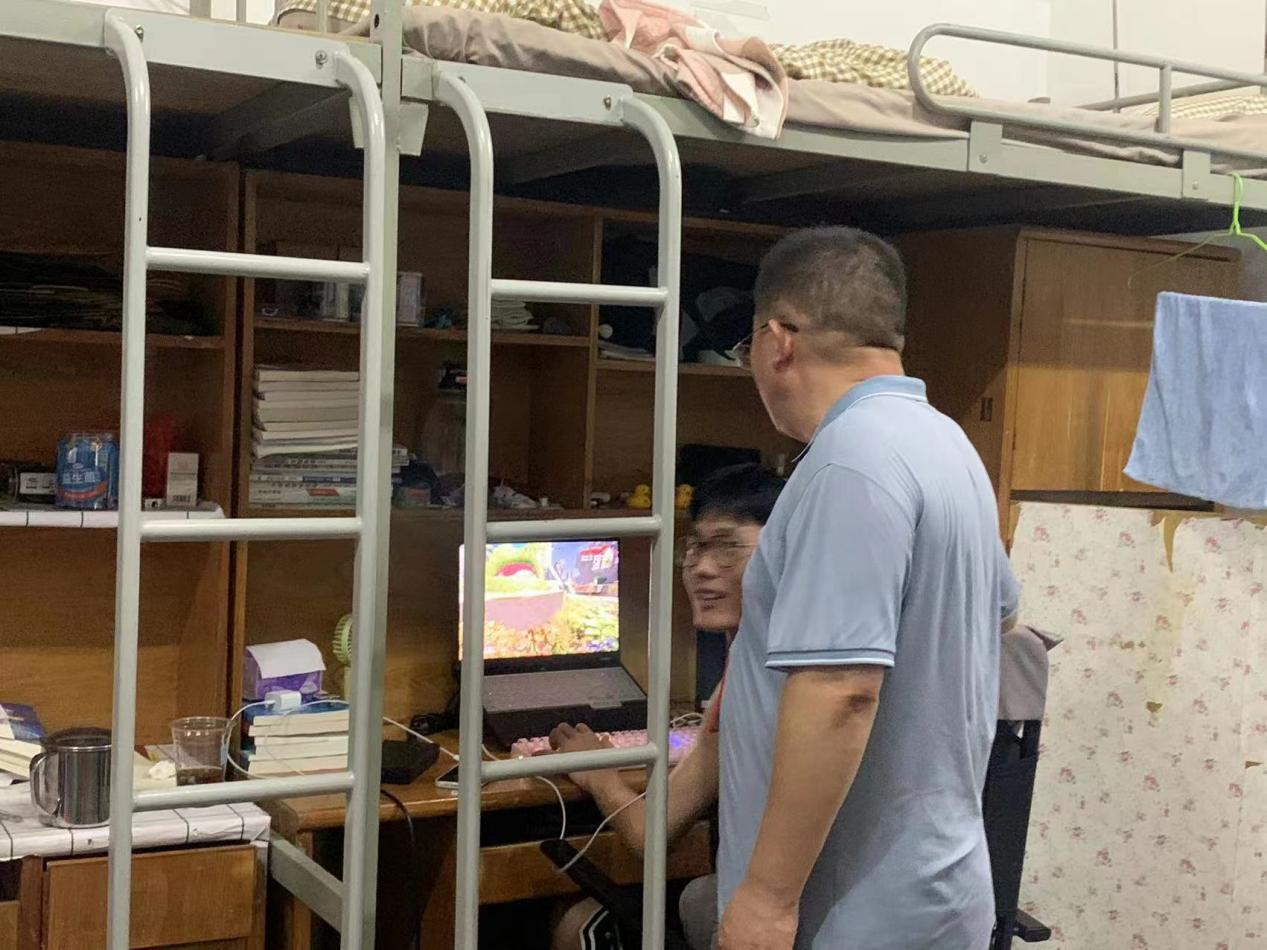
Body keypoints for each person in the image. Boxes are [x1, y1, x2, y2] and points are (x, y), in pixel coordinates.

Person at [717, 228, 1020, 950]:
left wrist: (766, 899)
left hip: (853, 910)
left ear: (776, 341)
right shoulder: (946, 443)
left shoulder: (847, 463)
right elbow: (1001, 614)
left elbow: (841, 690)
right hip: (939, 888)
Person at [550, 463, 786, 950]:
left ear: (787, 548)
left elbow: (651, 837)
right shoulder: (758, 662)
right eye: (695, 547)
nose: (702, 567)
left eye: (728, 547)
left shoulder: (766, 679)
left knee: (576, 924)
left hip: (770, 922)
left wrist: (599, 773)